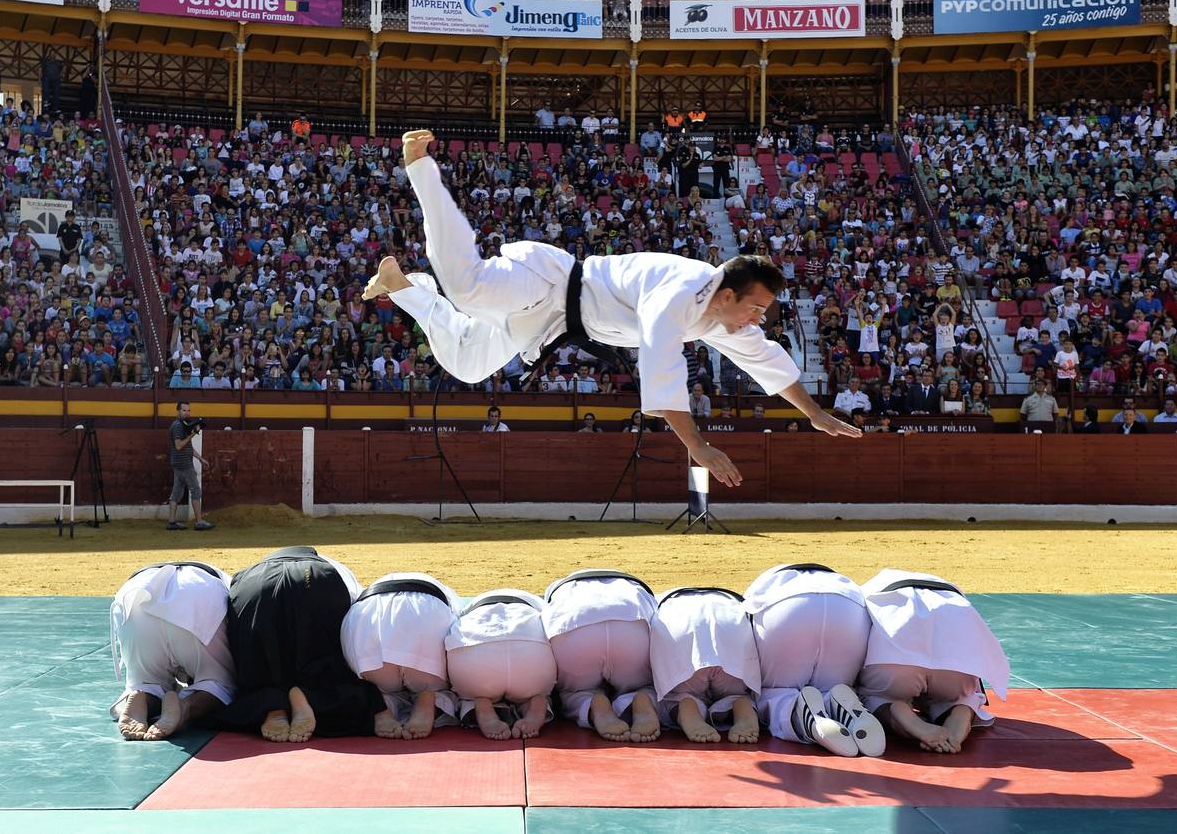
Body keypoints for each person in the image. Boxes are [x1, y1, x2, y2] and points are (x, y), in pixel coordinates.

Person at [363, 130, 860, 488]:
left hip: (553, 322)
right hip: (549, 282)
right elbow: (661, 367)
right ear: (729, 294)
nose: (758, 320)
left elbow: (765, 359)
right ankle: (420, 168)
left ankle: (405, 288)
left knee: (466, 363)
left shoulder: (718, 316)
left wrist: (814, 413)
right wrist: (698, 445)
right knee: (467, 289)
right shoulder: (681, 293)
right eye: (756, 308)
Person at [214, 547, 387, 742]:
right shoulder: (334, 566)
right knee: (326, 671)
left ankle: (271, 706)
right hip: (316, 580)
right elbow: (353, 620)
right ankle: (309, 698)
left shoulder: (245, 572)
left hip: (254, 586)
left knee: (259, 668)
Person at [857, 569, 1009, 755]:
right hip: (954, 653)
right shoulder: (953, 592)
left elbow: (855, 637)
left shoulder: (868, 589)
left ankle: (895, 709)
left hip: (897, 648)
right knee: (960, 695)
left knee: (873, 697)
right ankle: (961, 709)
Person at [744, 563, 883, 757]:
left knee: (773, 692)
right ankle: (835, 701)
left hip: (784, 605)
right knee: (832, 686)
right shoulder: (841, 579)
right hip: (848, 607)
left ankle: (801, 714)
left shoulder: (765, 582)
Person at [110, 560, 235, 741]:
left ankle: (142, 694)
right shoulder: (225, 580)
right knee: (218, 684)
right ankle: (186, 708)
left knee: (147, 682)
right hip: (198, 597)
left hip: (135, 595)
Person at [543, 569, 661, 742]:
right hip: (631, 628)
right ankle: (641, 698)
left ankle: (589, 704)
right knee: (651, 685)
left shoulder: (559, 591)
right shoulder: (636, 589)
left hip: (574, 629)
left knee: (573, 692)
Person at [340, 572, 460, 740]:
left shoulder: (364, 589)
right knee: (447, 687)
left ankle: (382, 704)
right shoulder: (447, 593)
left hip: (367, 627)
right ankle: (432, 699)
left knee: (379, 689)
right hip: (426, 621)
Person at [650, 586, 760, 744]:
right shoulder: (735, 600)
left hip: (681, 635)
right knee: (741, 693)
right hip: (730, 632)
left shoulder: (660, 599)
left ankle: (684, 704)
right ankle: (740, 703)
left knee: (671, 696)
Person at [446, 588, 556, 740]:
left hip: (477, 657)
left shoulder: (465, 609)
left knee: (467, 695)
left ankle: (476, 703)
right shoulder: (541, 606)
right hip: (530, 654)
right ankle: (534, 701)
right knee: (537, 691)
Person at [166, 402, 214, 531]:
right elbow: (179, 445)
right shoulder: (178, 426)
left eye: (188, 410)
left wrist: (200, 459)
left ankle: (171, 522)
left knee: (177, 492)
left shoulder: (182, 425)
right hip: (184, 464)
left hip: (178, 462)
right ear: (178, 411)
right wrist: (193, 434)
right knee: (196, 490)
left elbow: (188, 447)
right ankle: (199, 521)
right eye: (184, 410)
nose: (187, 413)